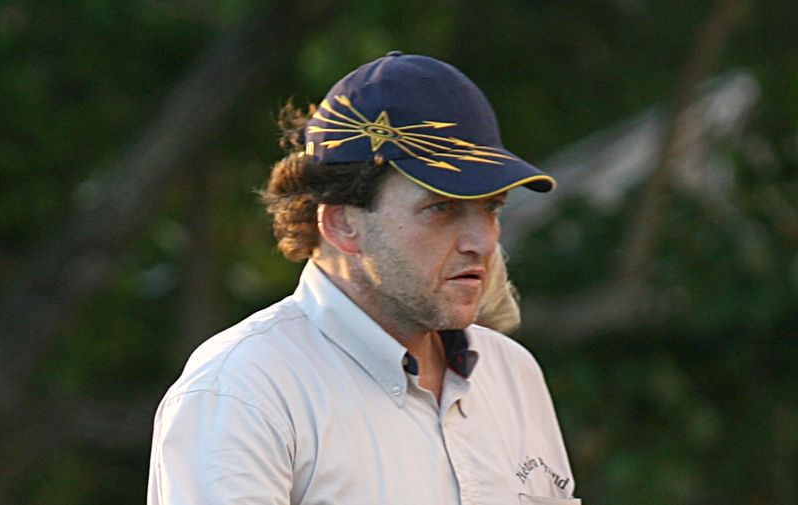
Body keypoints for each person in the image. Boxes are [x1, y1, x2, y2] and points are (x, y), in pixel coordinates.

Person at [147, 52, 579, 505]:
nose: (483, 242)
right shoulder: (242, 391)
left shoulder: (513, 374)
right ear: (341, 224)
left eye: (491, 208)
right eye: (441, 208)